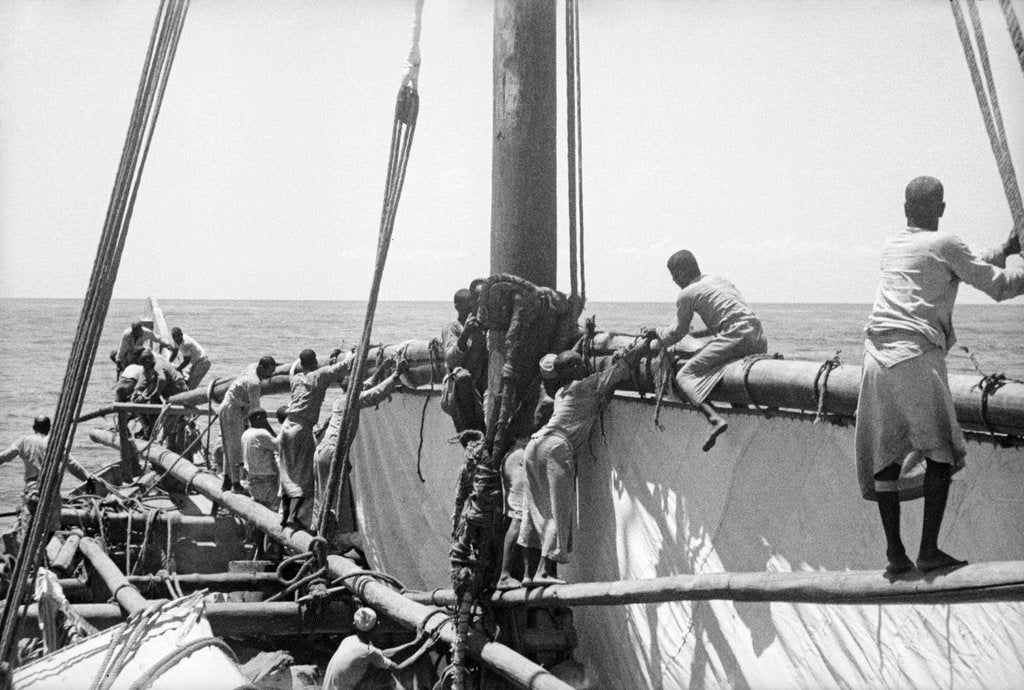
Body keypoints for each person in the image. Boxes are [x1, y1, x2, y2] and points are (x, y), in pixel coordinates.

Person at [857, 176, 1024, 575]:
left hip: (875, 356)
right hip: (914, 355)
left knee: (887, 457)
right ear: (943, 209)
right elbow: (996, 285)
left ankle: (895, 555)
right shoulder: (946, 244)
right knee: (941, 453)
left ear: (905, 209)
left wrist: (1004, 248)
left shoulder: (894, 244)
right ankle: (928, 550)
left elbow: (956, 264)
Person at [518, 345, 645, 586]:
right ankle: (544, 572)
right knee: (559, 509)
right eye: (580, 363)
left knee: (533, 510)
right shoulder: (584, 385)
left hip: (535, 445)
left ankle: (528, 574)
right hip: (556, 447)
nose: (585, 364)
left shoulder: (561, 393)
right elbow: (622, 369)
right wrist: (640, 345)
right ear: (575, 369)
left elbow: (599, 398)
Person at [645, 250, 767, 452]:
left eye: (675, 275)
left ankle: (714, 419)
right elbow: (724, 321)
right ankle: (743, 422)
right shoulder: (718, 281)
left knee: (685, 375)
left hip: (736, 337)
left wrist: (655, 331)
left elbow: (674, 334)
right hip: (758, 337)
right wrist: (695, 336)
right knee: (725, 367)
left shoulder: (686, 294)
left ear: (683, 271)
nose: (674, 280)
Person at [311, 359, 408, 533]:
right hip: (332, 452)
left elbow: (367, 386)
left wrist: (383, 368)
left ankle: (320, 531)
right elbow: (375, 394)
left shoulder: (341, 399)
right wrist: (396, 374)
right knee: (337, 497)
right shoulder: (351, 401)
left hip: (323, 451)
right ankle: (336, 537)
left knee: (324, 495)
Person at [279, 349, 353, 528]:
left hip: (286, 427)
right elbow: (345, 365)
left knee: (288, 473)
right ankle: (296, 518)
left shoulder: (296, 378)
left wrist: (331, 360)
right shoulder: (319, 375)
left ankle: (285, 514)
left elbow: (301, 370)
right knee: (305, 475)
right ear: (314, 363)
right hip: (301, 429)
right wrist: (352, 352)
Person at [496, 395, 552, 591]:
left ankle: (527, 574)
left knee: (524, 515)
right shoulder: (544, 399)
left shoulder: (529, 394)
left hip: (517, 454)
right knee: (519, 517)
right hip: (521, 455)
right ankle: (504, 575)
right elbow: (543, 410)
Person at [219, 356, 278, 494]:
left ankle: (227, 479)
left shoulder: (252, 367)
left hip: (228, 406)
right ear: (261, 368)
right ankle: (235, 484)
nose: (270, 376)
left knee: (227, 444)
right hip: (232, 409)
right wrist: (272, 436)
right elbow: (257, 415)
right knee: (235, 447)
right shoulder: (254, 384)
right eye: (269, 371)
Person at [1, 416, 95, 496]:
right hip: (50, 488)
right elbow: (71, 463)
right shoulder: (55, 442)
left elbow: (6, 456)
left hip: (32, 488)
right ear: (49, 428)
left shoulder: (24, 441)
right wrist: (87, 477)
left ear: (34, 427)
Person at [441, 284, 488, 433]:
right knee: (463, 377)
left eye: (474, 304)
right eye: (468, 304)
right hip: (461, 392)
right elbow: (450, 359)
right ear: (457, 306)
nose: (472, 307)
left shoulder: (482, 327)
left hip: (482, 390)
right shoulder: (453, 327)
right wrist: (466, 333)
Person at [322, 608, 407, 690]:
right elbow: (398, 668)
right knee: (383, 672)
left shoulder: (349, 640)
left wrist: (412, 643)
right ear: (376, 627)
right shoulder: (368, 651)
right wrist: (420, 651)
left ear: (354, 625)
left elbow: (381, 654)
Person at [240, 407, 280, 512]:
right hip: (266, 476)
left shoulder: (246, 434)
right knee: (273, 507)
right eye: (265, 419)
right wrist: (268, 428)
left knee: (259, 505)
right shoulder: (261, 433)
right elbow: (279, 447)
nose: (266, 422)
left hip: (252, 476)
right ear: (258, 418)